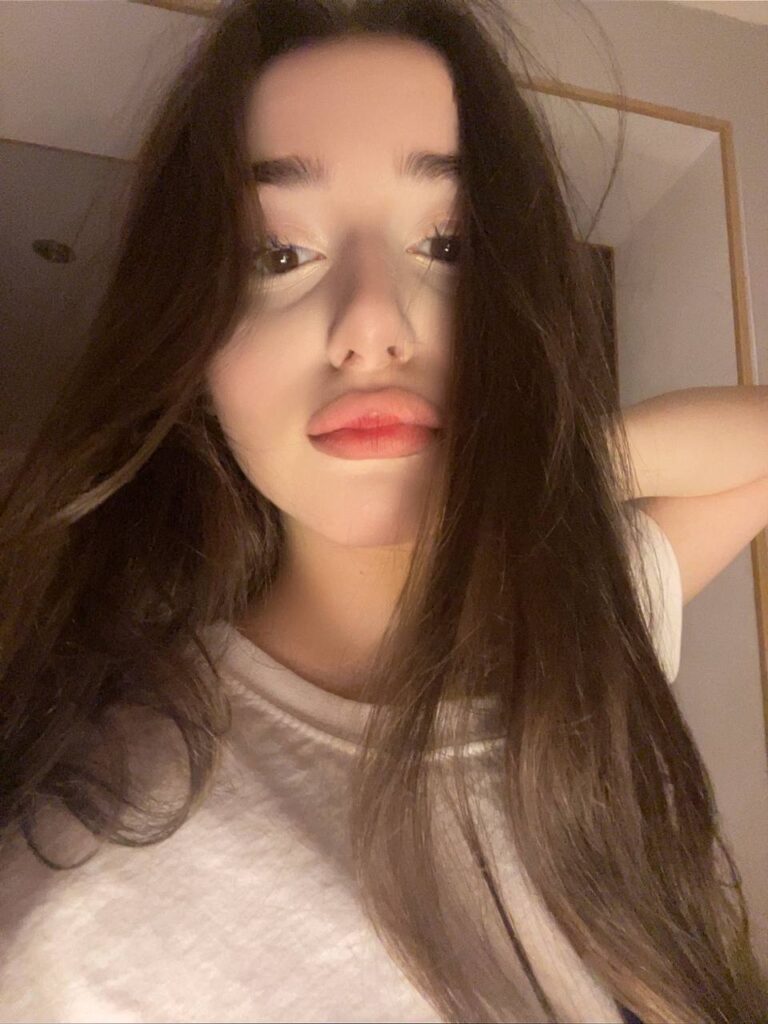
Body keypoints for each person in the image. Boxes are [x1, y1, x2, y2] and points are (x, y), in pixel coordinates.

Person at [0, 1, 766, 1021]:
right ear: (194, 345)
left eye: (446, 244)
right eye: (280, 256)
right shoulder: (94, 904)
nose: (371, 326)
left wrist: (542, 469)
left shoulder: (571, 629)